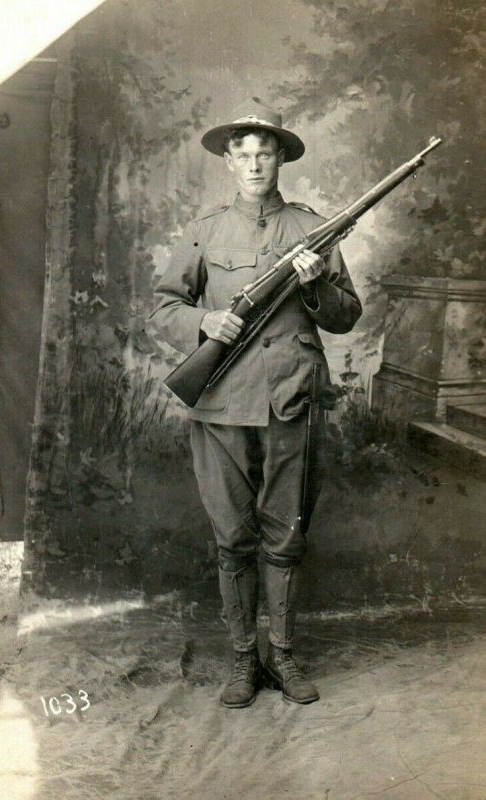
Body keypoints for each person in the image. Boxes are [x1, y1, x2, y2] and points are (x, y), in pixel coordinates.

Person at [150, 97, 362, 708]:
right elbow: (164, 307)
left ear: (279, 160)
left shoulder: (312, 228)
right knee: (231, 539)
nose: (252, 164)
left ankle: (284, 657)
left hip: (291, 400)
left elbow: (347, 316)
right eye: (241, 154)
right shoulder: (205, 231)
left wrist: (316, 280)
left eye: (263, 153)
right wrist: (206, 320)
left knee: (286, 538)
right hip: (219, 403)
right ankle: (244, 661)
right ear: (227, 162)